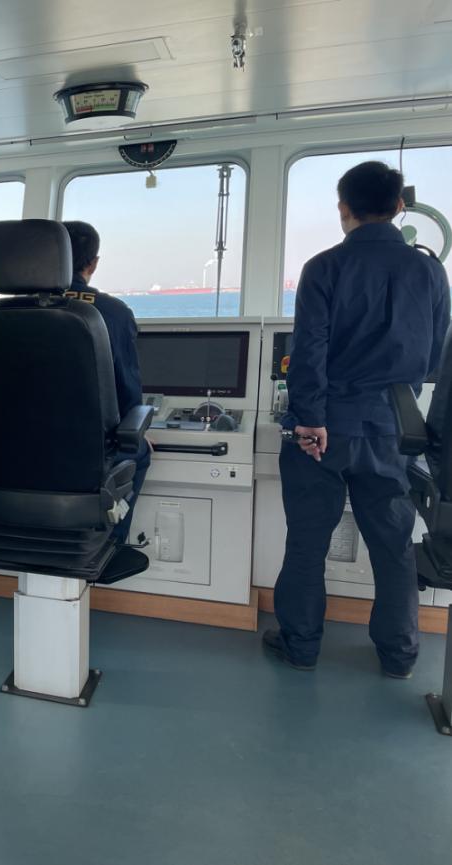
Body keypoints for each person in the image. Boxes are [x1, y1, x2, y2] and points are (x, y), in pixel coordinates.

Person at [264, 160, 450, 678]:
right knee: (393, 546)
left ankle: (300, 646)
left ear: (343, 208)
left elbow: (308, 352)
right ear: (399, 206)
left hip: (323, 428)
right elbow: (436, 355)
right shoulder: (429, 271)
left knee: (307, 542)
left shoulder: (324, 267)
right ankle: (400, 655)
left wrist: (309, 419)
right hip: (394, 427)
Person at [62, 220, 151, 542]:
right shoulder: (113, 313)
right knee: (139, 452)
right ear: (93, 264)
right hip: (90, 453)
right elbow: (128, 391)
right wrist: (135, 432)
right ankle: (109, 546)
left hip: (12, 455)